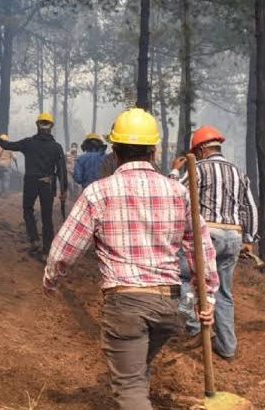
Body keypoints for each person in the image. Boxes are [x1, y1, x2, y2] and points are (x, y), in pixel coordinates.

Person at [43, 108, 219, 410]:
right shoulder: (178, 192)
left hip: (126, 305)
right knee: (137, 371)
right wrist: (209, 298)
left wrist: (51, 280)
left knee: (128, 387)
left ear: (114, 151)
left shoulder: (99, 193)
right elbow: (201, 248)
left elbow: (66, 248)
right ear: (153, 151)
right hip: (170, 305)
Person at [170, 125, 258, 361]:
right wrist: (249, 239)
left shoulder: (196, 168)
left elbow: (176, 195)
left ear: (200, 150)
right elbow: (250, 207)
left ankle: (197, 331)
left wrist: (174, 173)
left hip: (206, 235)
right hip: (234, 237)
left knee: (187, 279)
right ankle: (227, 347)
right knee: (224, 293)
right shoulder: (239, 172)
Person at [0, 113, 67, 257]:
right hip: (47, 183)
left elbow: (9, 145)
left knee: (27, 209)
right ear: (51, 127)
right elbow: (62, 170)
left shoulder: (28, 143)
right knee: (47, 217)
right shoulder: (57, 147)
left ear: (37, 125)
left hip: (31, 182)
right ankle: (46, 251)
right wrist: (64, 190)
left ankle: (34, 239)